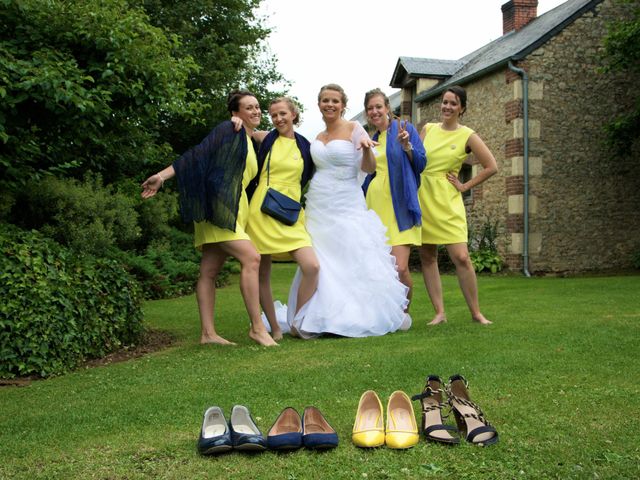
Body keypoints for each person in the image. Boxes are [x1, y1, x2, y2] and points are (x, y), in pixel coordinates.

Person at [141, 90, 278, 346]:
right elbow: (197, 154)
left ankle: (208, 334)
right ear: (235, 113)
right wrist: (161, 176)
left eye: (257, 107)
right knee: (251, 258)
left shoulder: (250, 138)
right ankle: (258, 328)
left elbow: (277, 137)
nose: (256, 111)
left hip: (237, 209)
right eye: (248, 108)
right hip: (219, 209)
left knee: (209, 270)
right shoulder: (229, 130)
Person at [286, 84, 409, 338]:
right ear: (319, 104)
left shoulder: (355, 129)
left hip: (346, 201)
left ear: (343, 105)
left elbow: (370, 167)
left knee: (349, 255)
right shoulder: (317, 137)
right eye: (324, 100)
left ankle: (352, 315)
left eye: (334, 101)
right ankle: (311, 315)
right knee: (322, 260)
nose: (329, 104)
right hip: (319, 203)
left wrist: (365, 148)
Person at [240, 97, 320, 340]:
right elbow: (244, 129)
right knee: (262, 273)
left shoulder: (306, 146)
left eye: (283, 113)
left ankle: (298, 322)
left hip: (291, 212)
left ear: (294, 114)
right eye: (274, 115)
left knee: (311, 266)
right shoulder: (266, 137)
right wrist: (236, 119)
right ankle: (274, 328)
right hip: (262, 210)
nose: (278, 119)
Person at [418, 85, 498, 325]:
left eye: (453, 103)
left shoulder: (468, 135)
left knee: (462, 257)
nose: (447, 107)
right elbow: (415, 160)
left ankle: (476, 313)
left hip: (448, 202)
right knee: (428, 256)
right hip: (423, 197)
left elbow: (491, 166)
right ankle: (440, 313)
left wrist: (465, 186)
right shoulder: (428, 129)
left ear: (462, 108)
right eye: (444, 102)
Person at [361, 88, 427, 326]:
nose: (375, 111)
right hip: (375, 205)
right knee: (380, 267)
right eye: (370, 108)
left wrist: (408, 146)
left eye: (378, 106)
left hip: (400, 205)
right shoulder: (371, 138)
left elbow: (421, 163)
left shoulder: (405, 129)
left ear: (387, 107)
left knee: (399, 267)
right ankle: (383, 313)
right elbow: (367, 172)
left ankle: (403, 313)